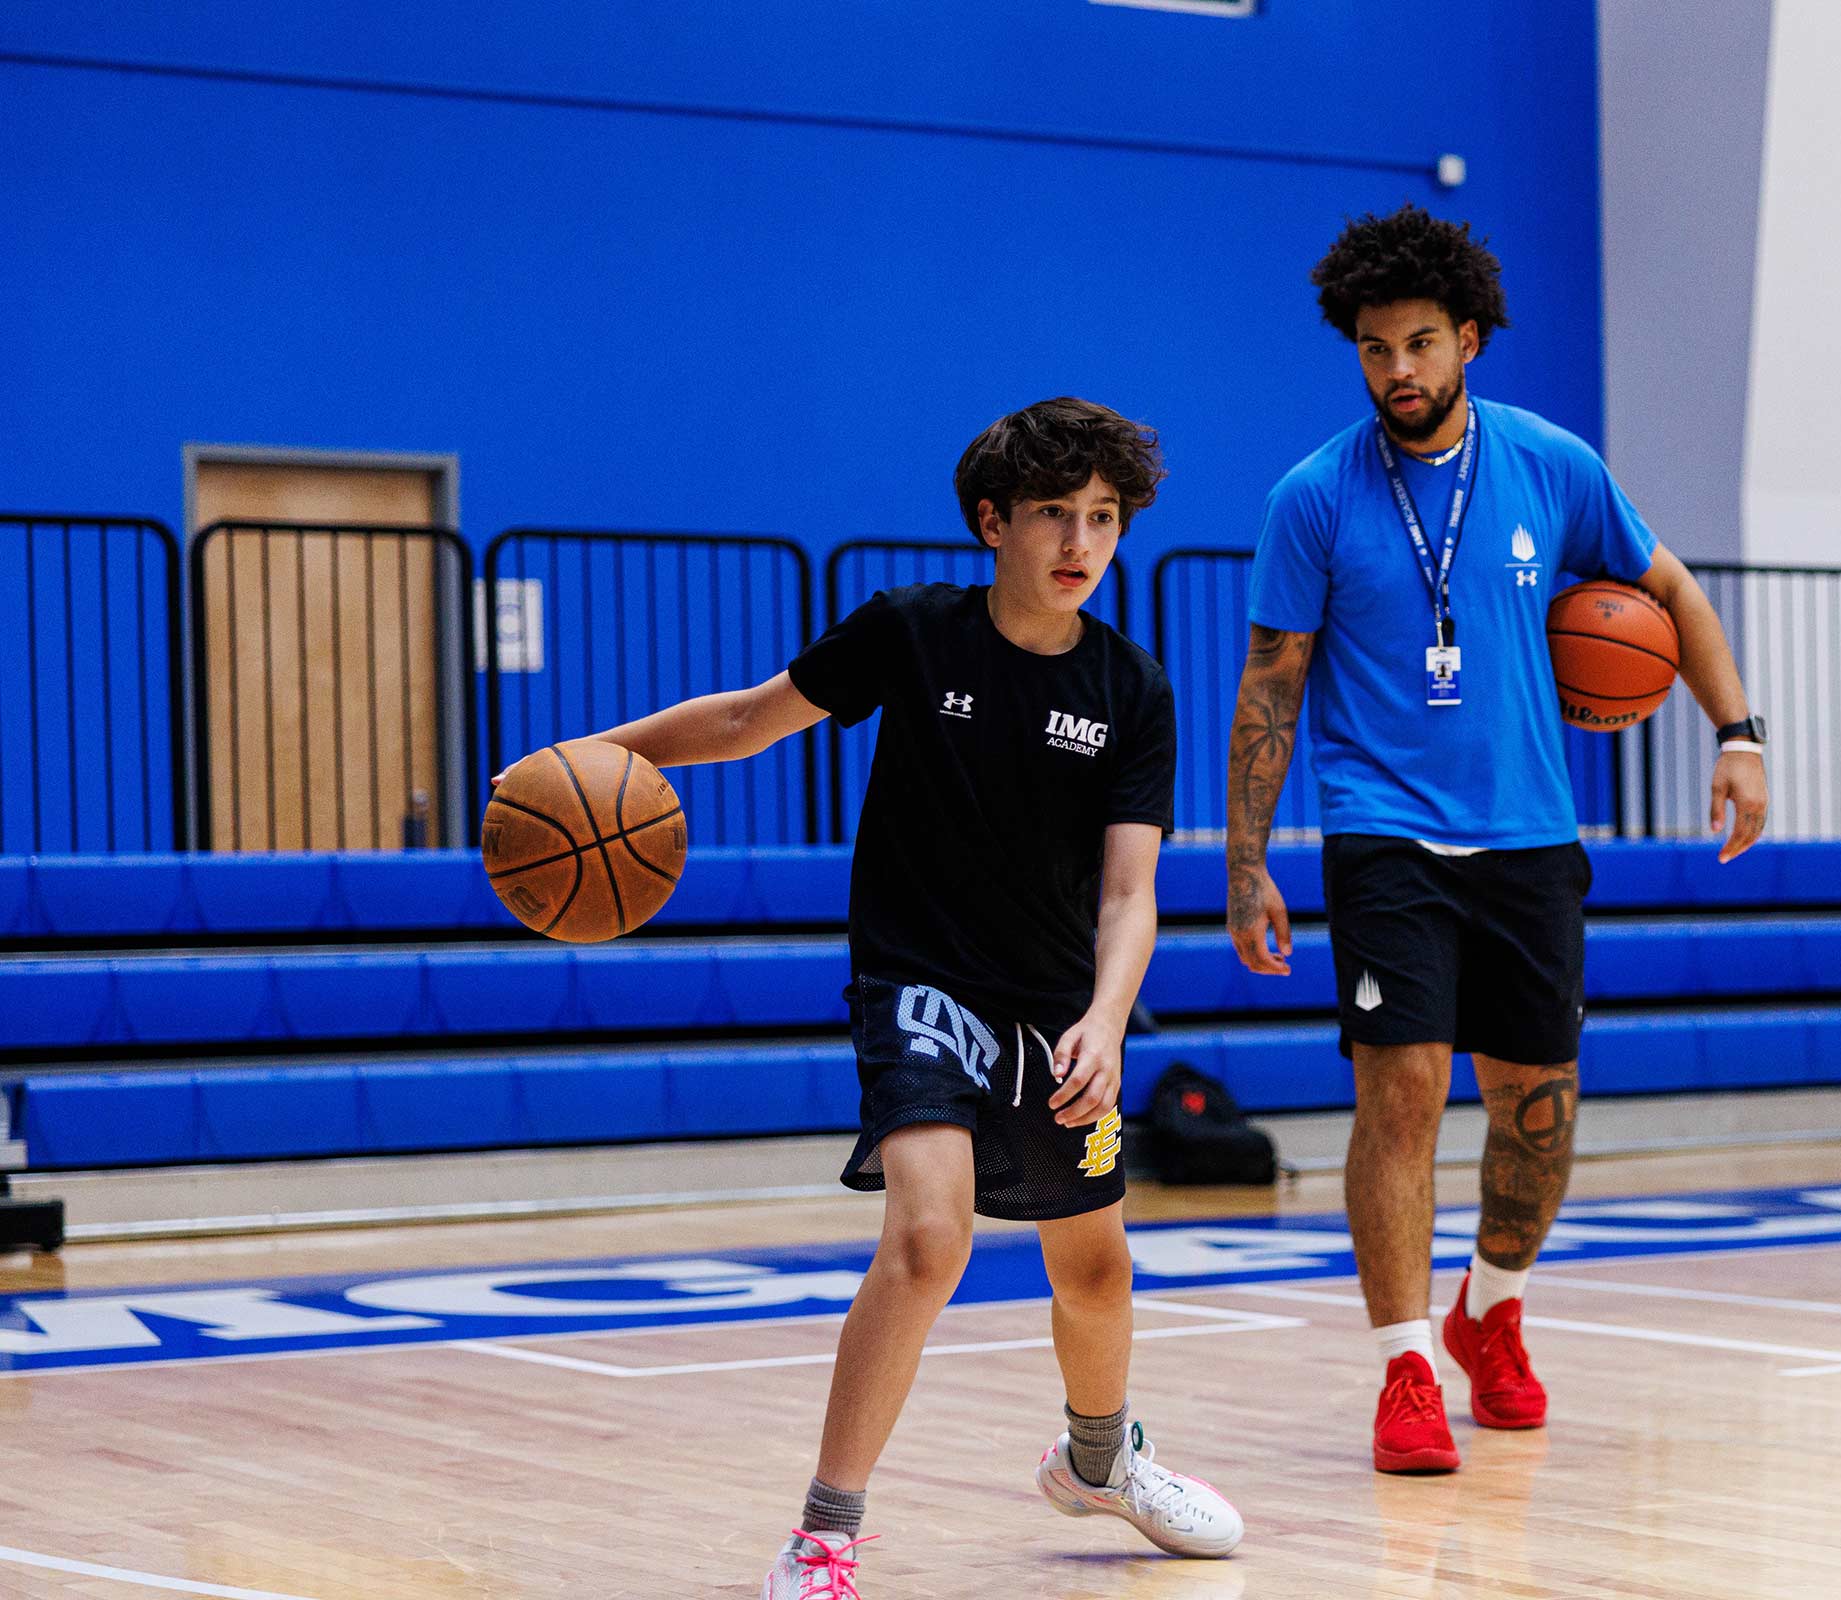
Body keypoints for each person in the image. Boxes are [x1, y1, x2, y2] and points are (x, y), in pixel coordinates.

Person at [508, 398, 1241, 1595]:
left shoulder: (1133, 688)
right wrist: (593, 758)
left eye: (1103, 518)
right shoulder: (912, 632)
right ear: (992, 521)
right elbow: (749, 719)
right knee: (929, 1234)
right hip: (919, 978)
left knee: (1095, 1270)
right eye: (1054, 513)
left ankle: (1100, 1461)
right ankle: (826, 1531)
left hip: (1055, 1004)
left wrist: (1107, 1017)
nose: (1080, 541)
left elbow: (1130, 892)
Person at [1225, 207, 1769, 1474]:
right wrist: (1247, 857)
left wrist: (1736, 731)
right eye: (1374, 350)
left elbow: (1673, 592)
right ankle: (1407, 1364)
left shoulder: (1549, 465)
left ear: (1468, 339)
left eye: (1419, 343)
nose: (1397, 371)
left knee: (1540, 1111)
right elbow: (1271, 684)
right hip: (1383, 831)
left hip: (1529, 831)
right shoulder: (1312, 497)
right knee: (1401, 1088)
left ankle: (1492, 1310)